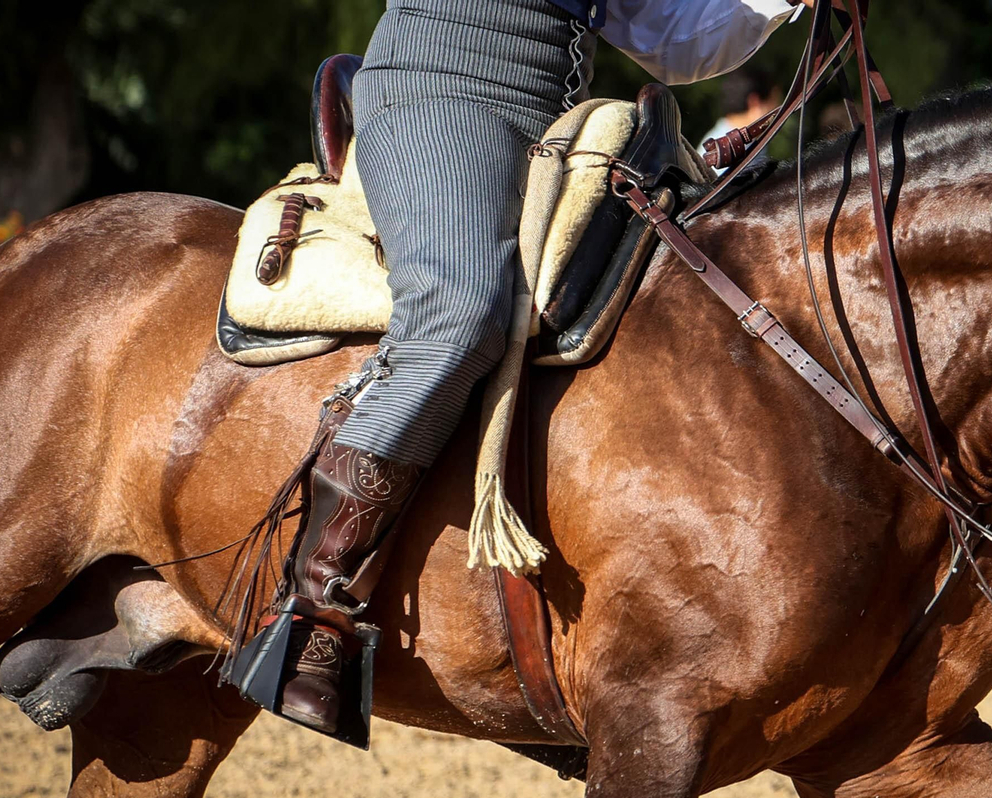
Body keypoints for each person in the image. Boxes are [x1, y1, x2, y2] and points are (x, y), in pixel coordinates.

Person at [260, 0, 809, 736]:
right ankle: (311, 611)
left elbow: (671, 39)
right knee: (458, 313)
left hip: (553, 125)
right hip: (438, 97)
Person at [700, 67, 782, 174]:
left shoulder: (748, 142)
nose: (777, 109)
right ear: (755, 102)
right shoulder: (723, 152)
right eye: (774, 101)